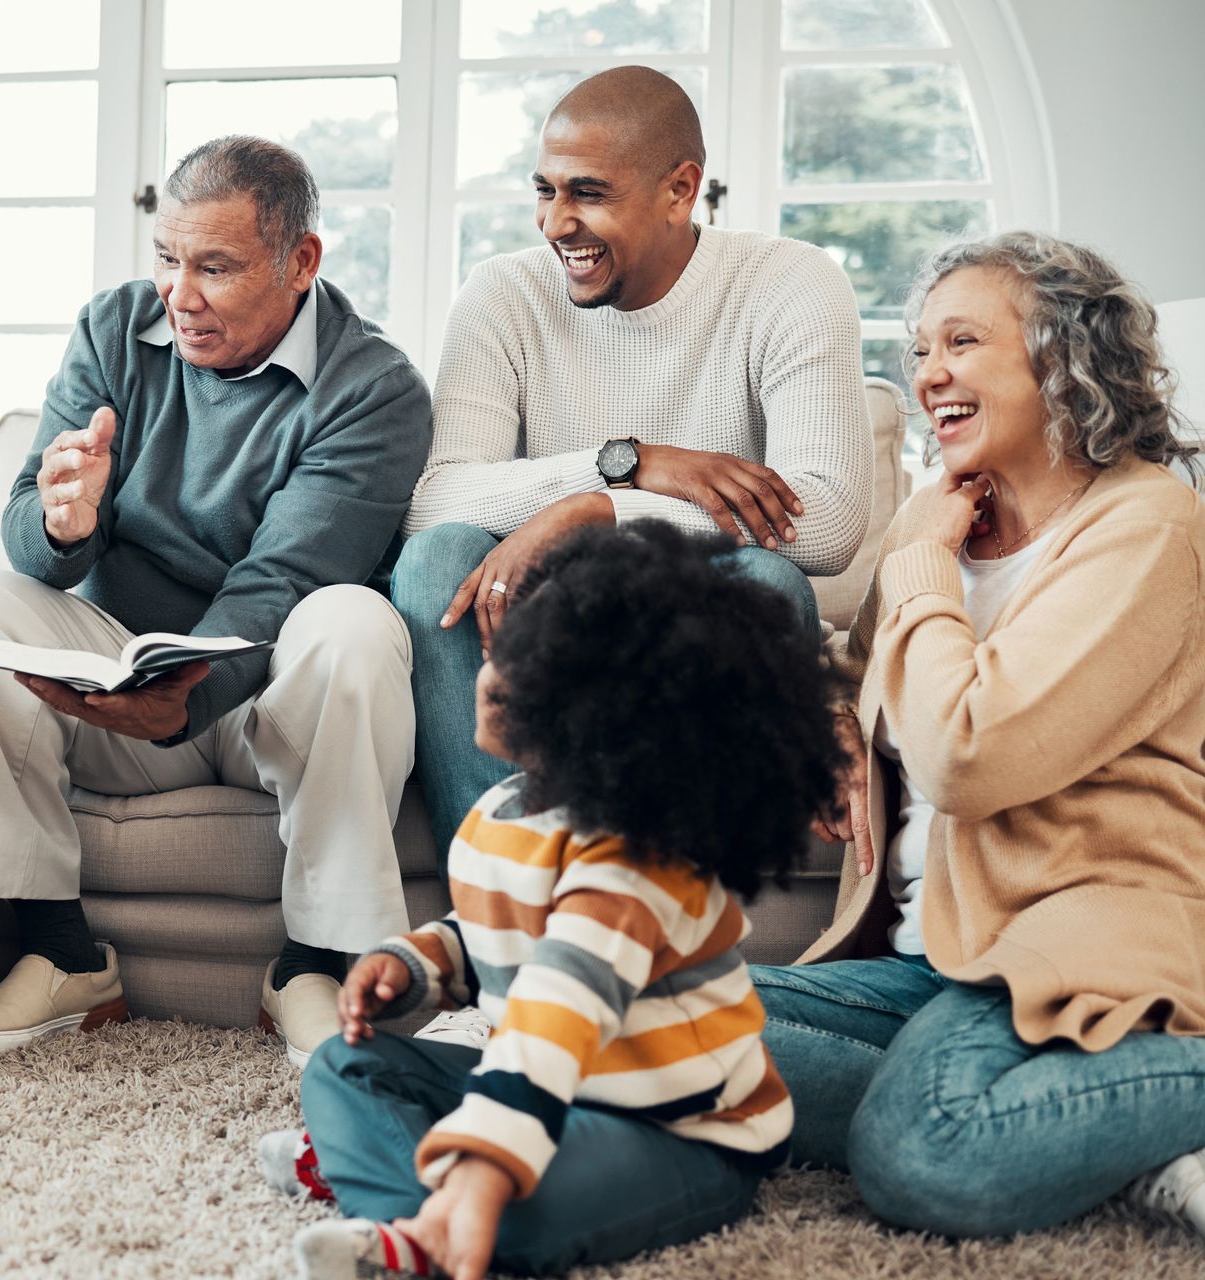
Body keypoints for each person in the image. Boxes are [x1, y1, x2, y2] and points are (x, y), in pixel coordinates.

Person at [0, 136, 434, 1064]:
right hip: (120, 709)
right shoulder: (113, 331)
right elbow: (32, 532)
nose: (179, 294)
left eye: (216, 267)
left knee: (354, 622)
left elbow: (289, 578)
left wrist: (183, 691)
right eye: (166, 258)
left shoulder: (375, 388)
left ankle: (315, 965)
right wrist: (62, 523)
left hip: (268, 711)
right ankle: (59, 951)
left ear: (300, 262)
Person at [749, 231, 1205, 1240]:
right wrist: (835, 726)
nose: (929, 375)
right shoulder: (946, 514)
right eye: (918, 350)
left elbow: (967, 756)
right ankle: (1076, 1123)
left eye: (961, 342)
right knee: (658, 1009)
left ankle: (1038, 1110)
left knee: (923, 1156)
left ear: (1061, 357)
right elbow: (865, 671)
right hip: (932, 956)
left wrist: (919, 563)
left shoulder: (1147, 524)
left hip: (1074, 946)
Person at [261, 521, 843, 1279]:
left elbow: (552, 1020)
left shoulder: (633, 863)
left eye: (537, 669)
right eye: (506, 652)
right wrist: (419, 962)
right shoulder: (504, 810)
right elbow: (493, 932)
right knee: (343, 1067)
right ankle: (426, 1213)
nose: (491, 673)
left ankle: (406, 1206)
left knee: (515, 1220)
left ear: (612, 723)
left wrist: (486, 1170)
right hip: (543, 1090)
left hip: (683, 1134)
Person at [391, 65, 873, 880]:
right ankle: (502, 917)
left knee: (770, 585)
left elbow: (824, 521)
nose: (555, 223)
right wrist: (627, 466)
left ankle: (652, 920)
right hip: (546, 607)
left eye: (588, 193)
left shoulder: (790, 284)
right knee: (435, 562)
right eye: (543, 190)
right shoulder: (503, 293)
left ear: (680, 190)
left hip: (689, 606)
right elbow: (434, 500)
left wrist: (597, 512)